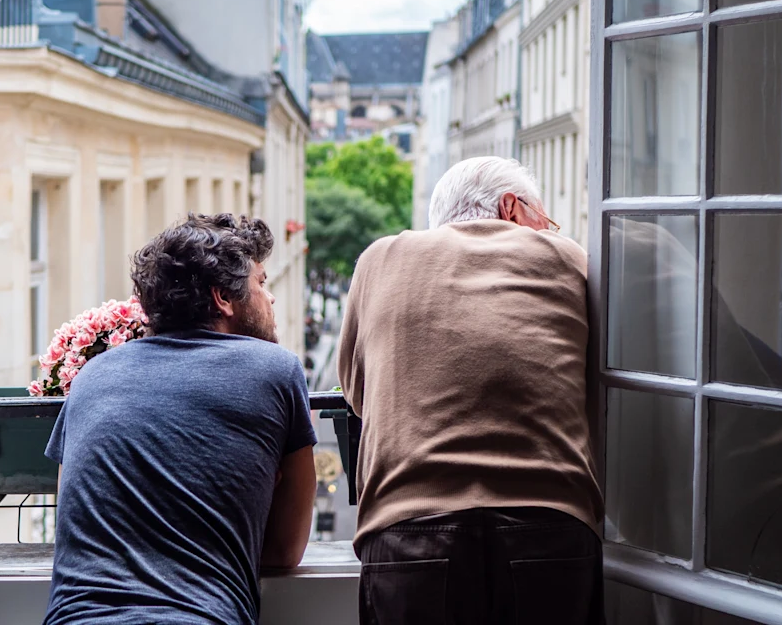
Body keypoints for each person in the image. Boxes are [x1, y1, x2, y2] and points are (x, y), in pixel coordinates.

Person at [338, 156, 605, 625]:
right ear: (512, 208)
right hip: (550, 531)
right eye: (545, 218)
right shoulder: (571, 259)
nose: (548, 230)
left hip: (408, 534)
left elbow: (359, 391)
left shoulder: (380, 260)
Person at [43, 213, 317, 625]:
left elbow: (72, 519)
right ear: (223, 297)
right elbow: (284, 550)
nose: (271, 297)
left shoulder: (92, 375)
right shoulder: (276, 369)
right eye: (262, 282)